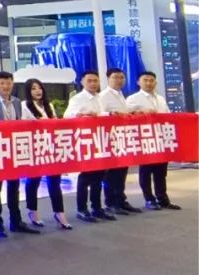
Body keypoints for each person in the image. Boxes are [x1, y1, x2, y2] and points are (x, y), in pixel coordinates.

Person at [0, 71, 40, 237]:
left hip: (13, 150)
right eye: (2, 83)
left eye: (8, 83)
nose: (5, 86)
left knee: (14, 186)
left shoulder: (17, 102)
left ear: (12, 84)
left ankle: (16, 221)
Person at [64, 71, 115, 223]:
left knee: (98, 177)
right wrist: (82, 114)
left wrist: (110, 114)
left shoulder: (100, 98)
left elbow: (102, 114)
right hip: (86, 142)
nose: (93, 83)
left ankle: (97, 208)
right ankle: (82, 209)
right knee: (85, 177)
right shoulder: (78, 98)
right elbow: (67, 116)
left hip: (100, 141)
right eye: (89, 81)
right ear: (82, 82)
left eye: (95, 81)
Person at [21, 79, 71, 230]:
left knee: (55, 181)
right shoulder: (24, 106)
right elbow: (22, 125)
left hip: (50, 147)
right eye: (33, 88)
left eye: (39, 88)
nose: (38, 91)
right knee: (33, 181)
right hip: (34, 147)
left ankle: (59, 213)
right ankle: (33, 211)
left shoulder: (49, 106)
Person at [127, 71, 181, 211]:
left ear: (155, 82)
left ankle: (163, 199)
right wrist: (139, 112)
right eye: (145, 80)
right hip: (145, 140)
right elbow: (126, 116)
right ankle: (149, 199)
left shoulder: (160, 98)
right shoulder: (133, 99)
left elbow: (168, 116)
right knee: (146, 171)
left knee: (161, 171)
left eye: (151, 80)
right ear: (138, 82)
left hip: (161, 139)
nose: (149, 83)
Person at [99, 68, 142, 216]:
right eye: (115, 77)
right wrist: (110, 114)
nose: (119, 80)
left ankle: (121, 200)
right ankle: (111, 203)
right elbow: (99, 113)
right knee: (111, 174)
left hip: (122, 139)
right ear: (108, 79)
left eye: (122, 78)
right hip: (110, 140)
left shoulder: (120, 95)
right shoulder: (104, 96)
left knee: (121, 172)